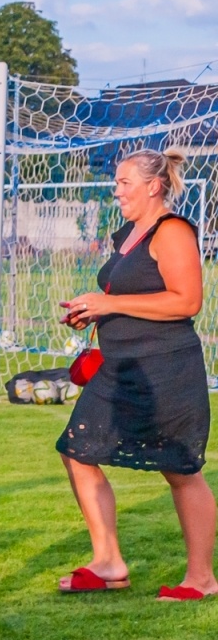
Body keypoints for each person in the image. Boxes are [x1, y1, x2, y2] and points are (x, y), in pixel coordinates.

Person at [55, 148, 214, 599]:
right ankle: (108, 561)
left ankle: (202, 578)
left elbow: (187, 302)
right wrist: (93, 312)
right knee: (77, 449)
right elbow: (131, 293)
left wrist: (112, 304)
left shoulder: (173, 230)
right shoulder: (127, 233)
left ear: (153, 185)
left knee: (180, 470)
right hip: (120, 366)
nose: (116, 190)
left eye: (124, 182)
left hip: (166, 368)